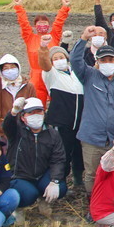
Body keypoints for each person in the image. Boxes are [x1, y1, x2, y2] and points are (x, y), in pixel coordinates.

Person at [71, 26, 114, 196]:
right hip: (92, 138)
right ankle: (94, 204)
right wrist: (83, 39)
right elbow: (75, 61)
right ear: (97, 62)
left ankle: (113, 202)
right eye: (103, 60)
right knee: (92, 174)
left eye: (110, 59)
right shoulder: (89, 76)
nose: (107, 63)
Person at [5, 98, 67, 212]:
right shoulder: (17, 132)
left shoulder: (52, 134)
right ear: (23, 117)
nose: (36, 115)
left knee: (61, 188)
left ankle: (44, 200)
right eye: (31, 113)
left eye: (39, 112)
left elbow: (58, 159)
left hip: (41, 174)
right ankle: (18, 208)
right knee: (29, 194)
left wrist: (54, 181)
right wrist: (13, 112)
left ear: (44, 114)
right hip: (20, 175)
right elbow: (7, 125)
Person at [38, 36, 85, 186]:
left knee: (79, 153)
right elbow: (44, 63)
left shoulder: (76, 73)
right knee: (62, 154)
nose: (59, 60)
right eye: (55, 58)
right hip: (61, 123)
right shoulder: (51, 74)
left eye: (61, 57)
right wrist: (44, 49)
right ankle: (60, 181)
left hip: (80, 123)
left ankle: (78, 178)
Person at [11, 0, 71, 103]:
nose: (42, 25)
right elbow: (24, 24)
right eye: (39, 23)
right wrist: (18, 7)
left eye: (45, 23)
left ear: (49, 26)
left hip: (54, 74)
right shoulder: (30, 38)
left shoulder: (54, 36)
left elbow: (59, 23)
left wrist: (65, 7)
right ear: (35, 26)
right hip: (36, 77)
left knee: (58, 102)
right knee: (37, 103)